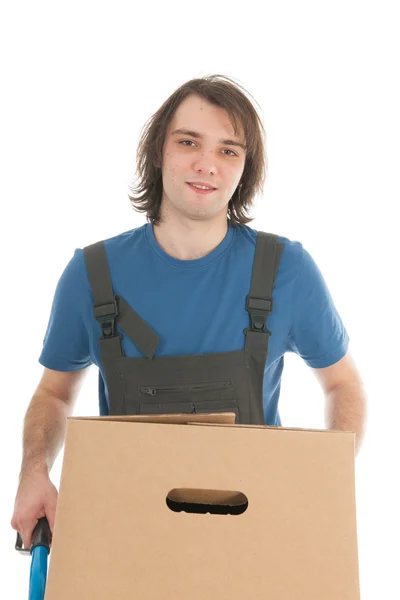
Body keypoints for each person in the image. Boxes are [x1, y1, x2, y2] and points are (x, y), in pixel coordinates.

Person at [11, 74, 367, 550]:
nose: (207, 165)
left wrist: (328, 481)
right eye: (188, 142)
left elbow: (342, 383)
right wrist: (34, 471)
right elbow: (54, 393)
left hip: (257, 539)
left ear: (245, 169)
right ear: (159, 150)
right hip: (127, 538)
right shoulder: (92, 274)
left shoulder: (285, 271)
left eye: (228, 150)